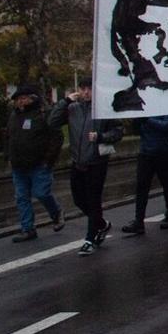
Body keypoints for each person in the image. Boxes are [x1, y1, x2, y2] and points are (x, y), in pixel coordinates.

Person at [48, 79, 123, 256]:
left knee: (93, 200)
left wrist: (101, 137)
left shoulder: (103, 109)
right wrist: (65, 101)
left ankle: (90, 238)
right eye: (83, 89)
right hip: (78, 162)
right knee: (78, 200)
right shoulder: (73, 109)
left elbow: (118, 131)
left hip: (96, 162)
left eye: (89, 89)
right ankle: (101, 224)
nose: (86, 92)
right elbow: (52, 122)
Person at [6, 85, 65, 242]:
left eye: (23, 98)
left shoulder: (43, 114)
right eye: (18, 99)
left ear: (32, 98)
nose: (20, 102)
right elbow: (9, 138)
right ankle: (28, 229)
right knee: (21, 197)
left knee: (42, 193)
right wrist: (9, 157)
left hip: (39, 164)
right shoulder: (14, 116)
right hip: (18, 165)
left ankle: (56, 213)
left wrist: (48, 160)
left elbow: (56, 138)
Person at [123, 113, 168, 234]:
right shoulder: (145, 109)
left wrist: (147, 120)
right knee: (141, 188)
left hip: (165, 152)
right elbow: (137, 131)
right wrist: (136, 121)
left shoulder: (165, 107)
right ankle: (139, 221)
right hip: (146, 152)